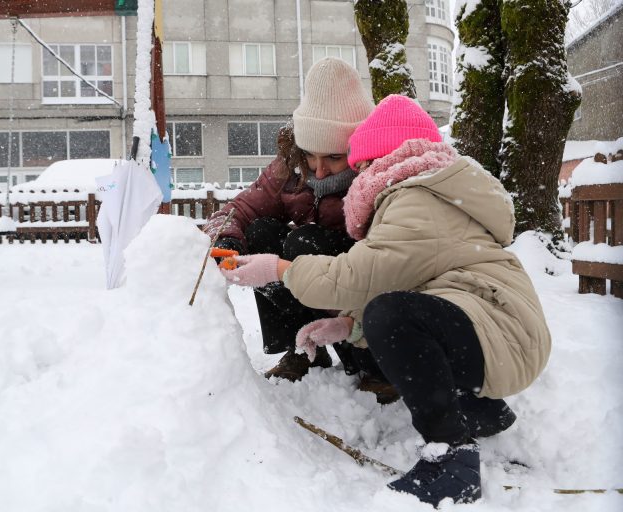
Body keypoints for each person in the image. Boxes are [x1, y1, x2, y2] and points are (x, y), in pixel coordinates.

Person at [220, 94, 551, 507]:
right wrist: (347, 326)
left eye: (358, 165)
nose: (356, 178)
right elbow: (407, 278)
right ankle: (479, 408)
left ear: (382, 160)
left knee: (390, 315)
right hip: (497, 327)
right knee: (389, 311)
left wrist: (280, 270)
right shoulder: (427, 190)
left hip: (501, 334)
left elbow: (361, 276)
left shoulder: (415, 200)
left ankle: (450, 459)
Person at [205, 57, 376, 382]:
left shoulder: (378, 175)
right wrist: (225, 238)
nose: (319, 169)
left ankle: (368, 361)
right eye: (310, 154)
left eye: (334, 157)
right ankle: (300, 349)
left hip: (359, 288)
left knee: (304, 242)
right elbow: (238, 210)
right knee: (261, 231)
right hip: (307, 280)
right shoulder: (290, 168)